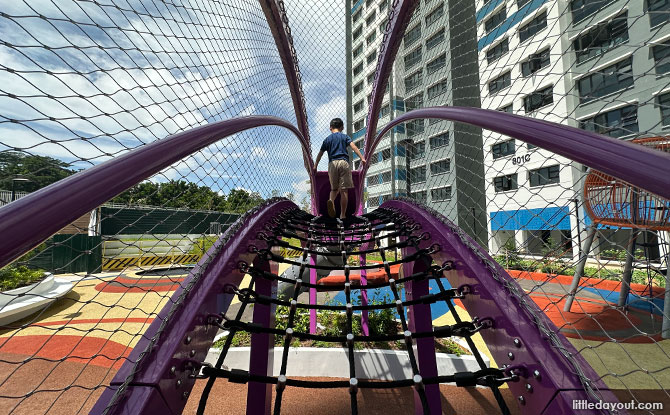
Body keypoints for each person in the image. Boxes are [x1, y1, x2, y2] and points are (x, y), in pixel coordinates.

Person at [314, 118, 366, 219]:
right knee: (344, 190)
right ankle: (342, 214)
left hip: (332, 164)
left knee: (334, 189)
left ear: (330, 128)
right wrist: (362, 158)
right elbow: (354, 147)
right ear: (342, 127)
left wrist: (315, 165)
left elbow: (320, 154)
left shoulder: (327, 139)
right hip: (343, 163)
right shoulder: (344, 137)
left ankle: (331, 200)